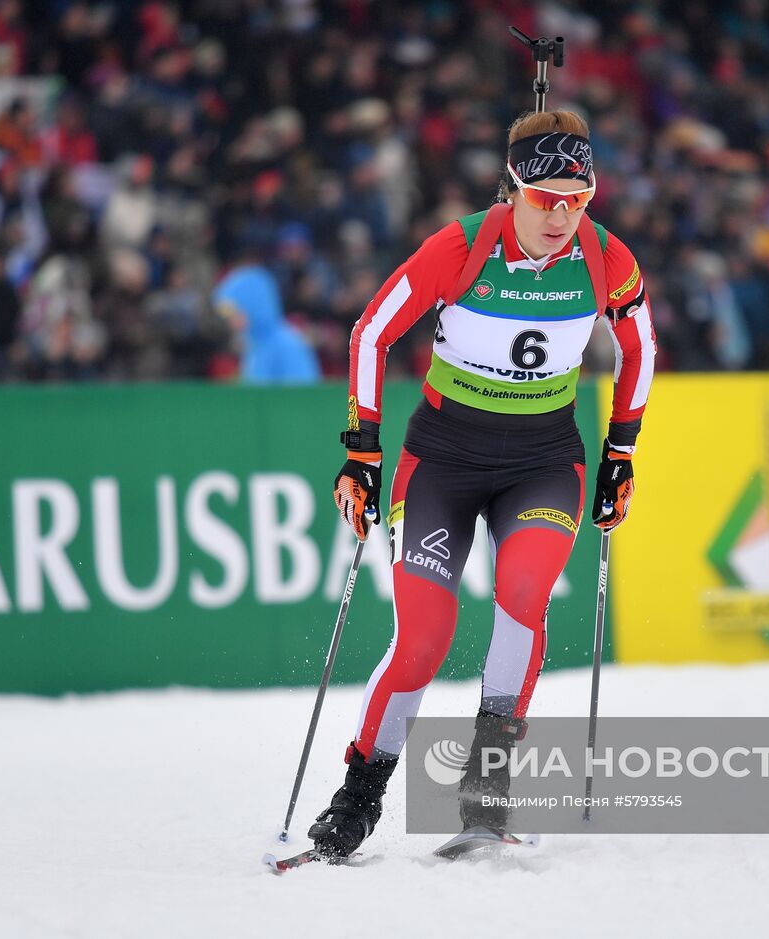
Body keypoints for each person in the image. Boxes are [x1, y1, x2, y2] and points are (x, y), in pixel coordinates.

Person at [309, 110, 657, 857]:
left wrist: (619, 452)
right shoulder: (462, 248)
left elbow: (640, 348)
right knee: (424, 641)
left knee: (523, 601)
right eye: (544, 199)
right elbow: (371, 331)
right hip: (442, 460)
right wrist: (361, 452)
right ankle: (358, 796)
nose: (562, 216)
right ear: (513, 191)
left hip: (542, 460)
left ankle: (486, 790)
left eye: (578, 197)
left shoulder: (605, 257)